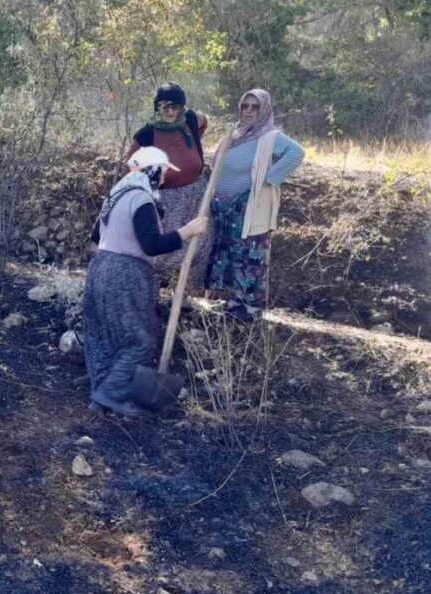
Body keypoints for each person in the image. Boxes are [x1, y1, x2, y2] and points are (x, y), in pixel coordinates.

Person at [84, 147, 208, 416]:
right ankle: (110, 393)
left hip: (99, 268)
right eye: (162, 172)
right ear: (153, 170)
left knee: (103, 336)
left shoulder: (116, 195)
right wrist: (188, 231)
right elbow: (151, 245)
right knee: (139, 339)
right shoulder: (141, 198)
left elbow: (96, 235)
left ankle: (101, 397)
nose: (164, 178)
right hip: (125, 273)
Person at [206, 88, 305, 321]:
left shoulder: (270, 137)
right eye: (245, 106)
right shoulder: (236, 133)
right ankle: (233, 302)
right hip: (224, 207)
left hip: (248, 206)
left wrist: (269, 179)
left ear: (265, 109)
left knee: (249, 255)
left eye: (255, 107)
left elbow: (296, 153)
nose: (249, 111)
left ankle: (251, 308)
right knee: (230, 254)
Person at [124, 82, 211, 289]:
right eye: (166, 106)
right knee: (164, 248)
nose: (171, 111)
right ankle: (149, 290)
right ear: (157, 107)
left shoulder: (190, 120)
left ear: (182, 107)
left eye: (176, 106)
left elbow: (203, 120)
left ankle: (189, 294)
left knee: (201, 243)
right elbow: (131, 170)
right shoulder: (146, 135)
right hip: (167, 199)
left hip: (197, 194)